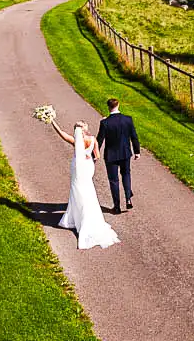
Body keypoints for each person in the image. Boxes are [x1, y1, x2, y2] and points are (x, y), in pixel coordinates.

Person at [50, 120, 119, 249]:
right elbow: (97, 156)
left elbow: (61, 134)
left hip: (78, 168)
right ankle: (89, 215)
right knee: (88, 189)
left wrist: (52, 121)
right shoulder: (93, 140)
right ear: (85, 129)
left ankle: (77, 216)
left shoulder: (76, 142)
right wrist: (90, 159)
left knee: (77, 190)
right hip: (88, 167)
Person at [97, 98, 140, 213]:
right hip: (125, 153)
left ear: (108, 107)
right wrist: (137, 151)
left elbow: (99, 140)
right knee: (126, 174)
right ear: (118, 105)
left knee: (113, 180)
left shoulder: (105, 123)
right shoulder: (127, 120)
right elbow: (134, 137)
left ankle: (117, 206)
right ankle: (128, 199)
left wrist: (94, 154)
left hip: (111, 155)